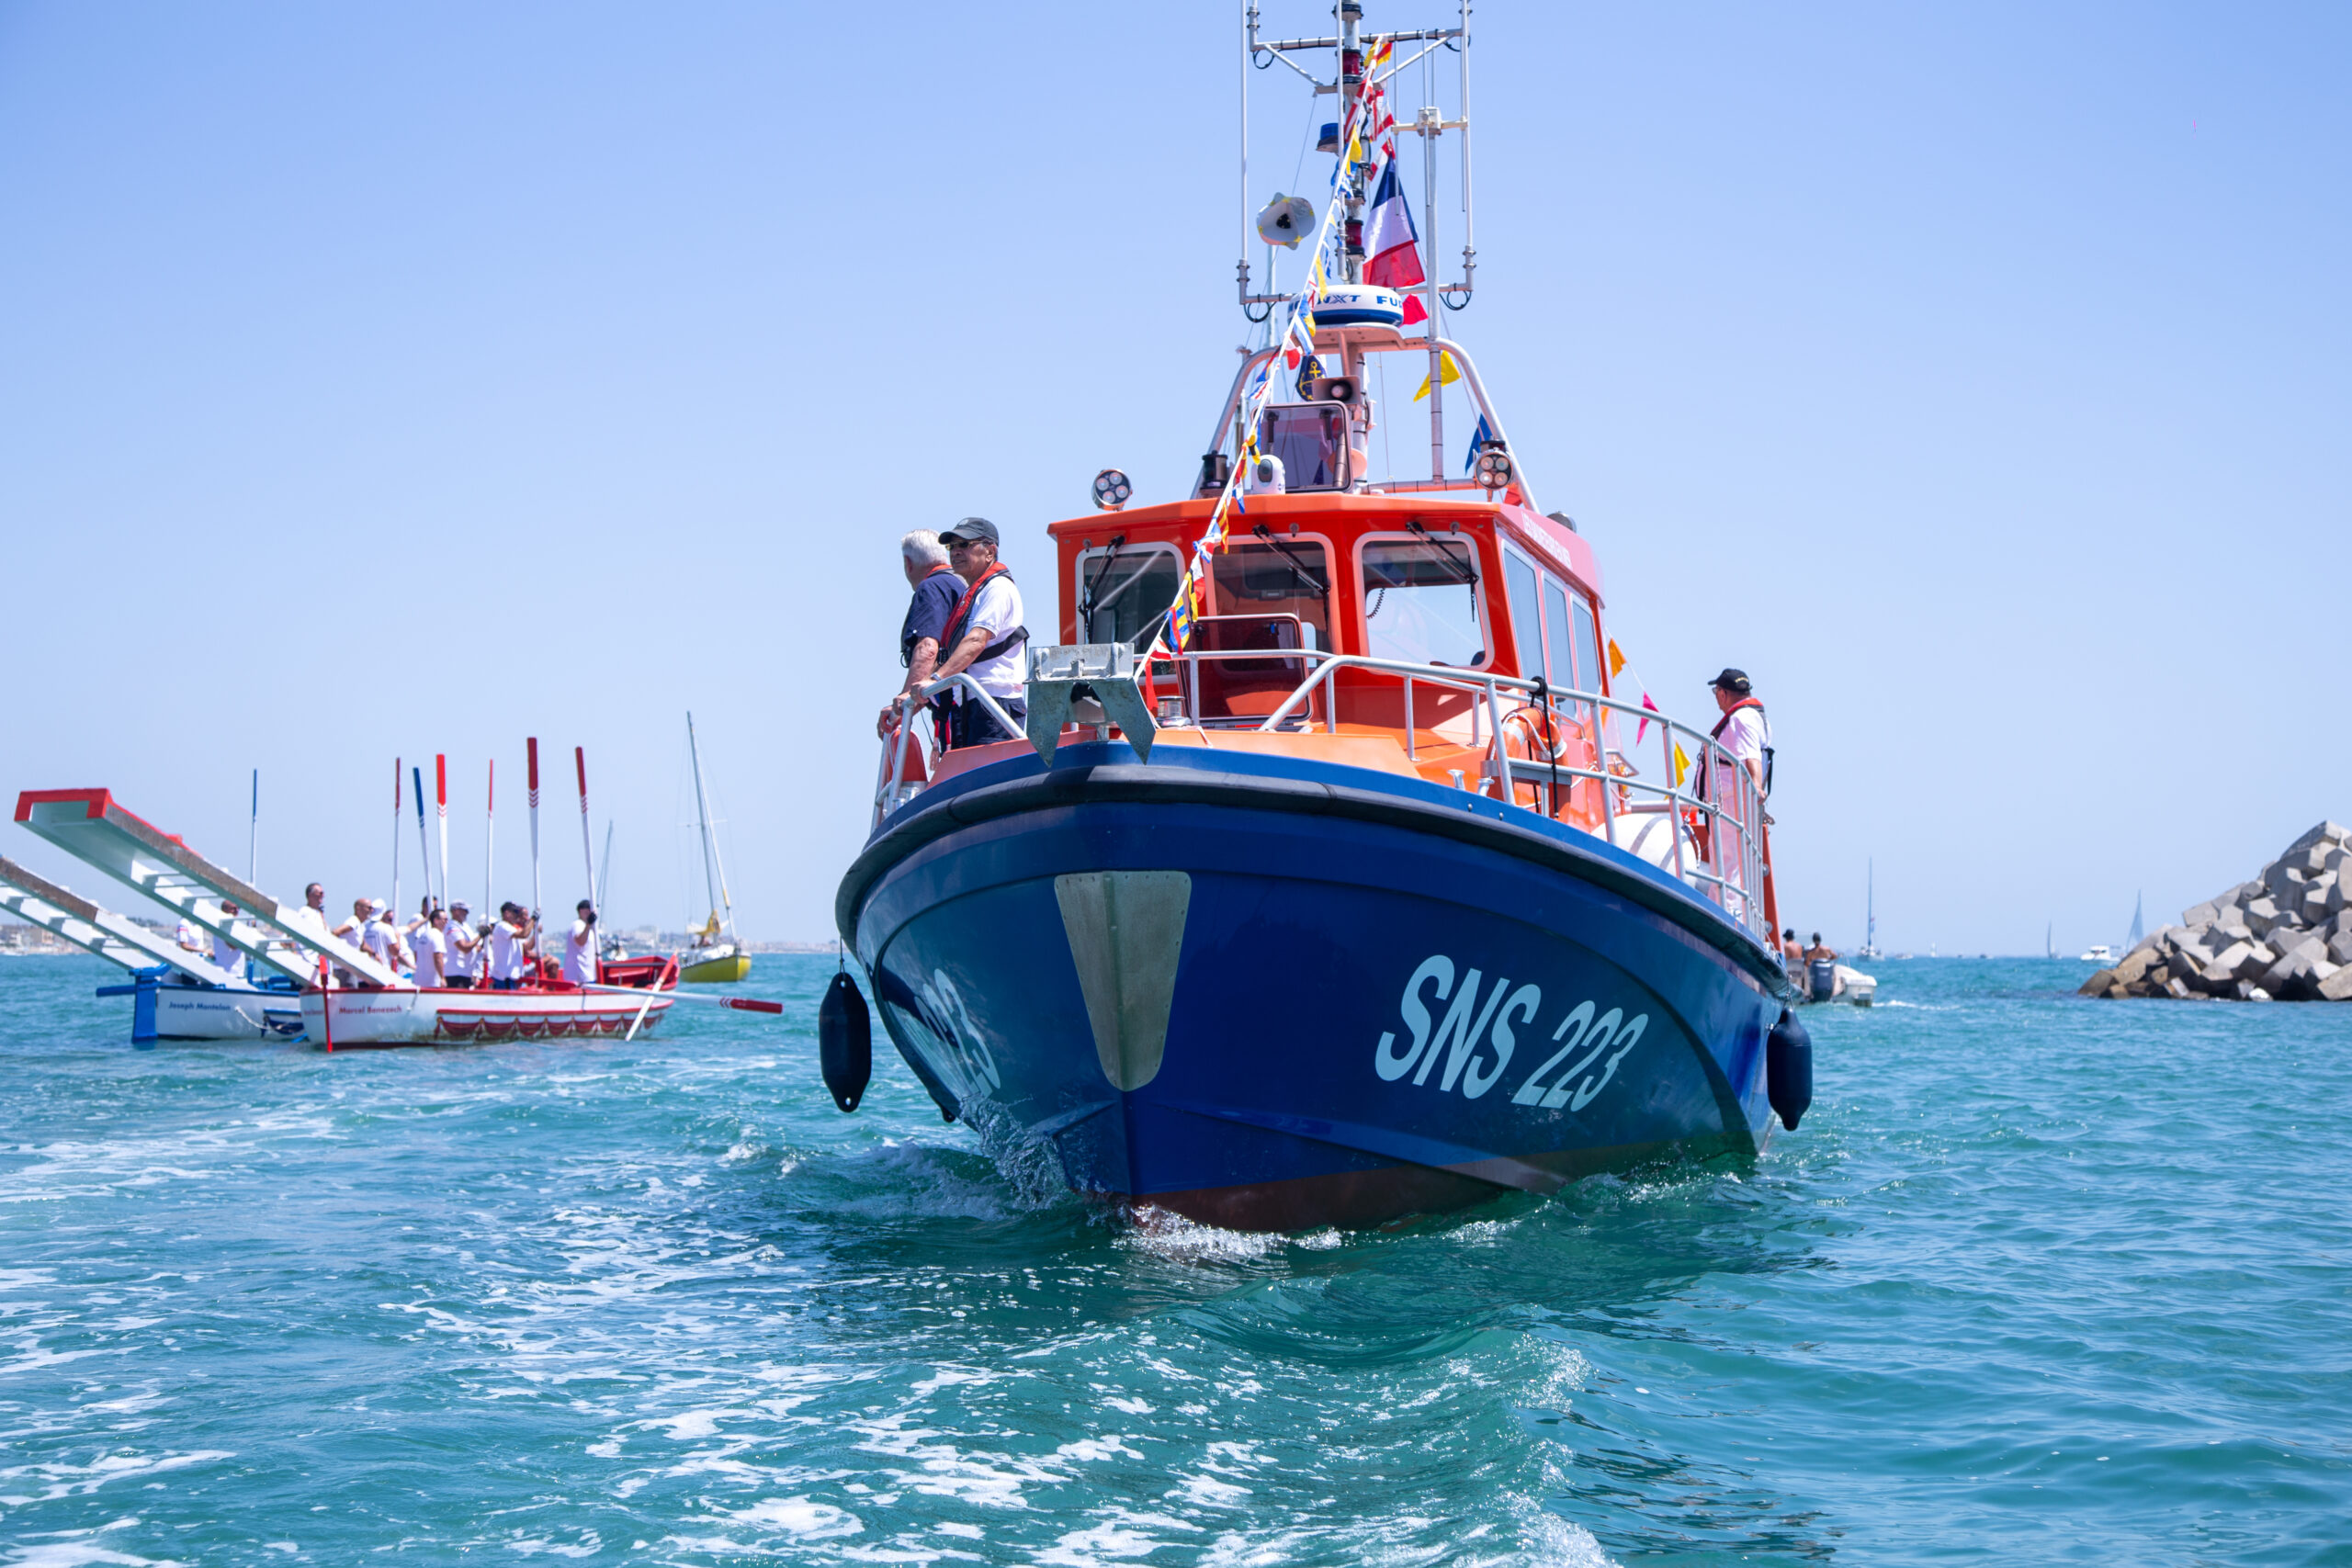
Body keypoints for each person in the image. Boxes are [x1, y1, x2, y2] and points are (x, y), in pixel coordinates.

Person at [930, 517, 1030, 749]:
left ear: (990, 552)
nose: (955, 552)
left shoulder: (998, 588)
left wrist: (935, 680)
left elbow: (976, 640)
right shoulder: (975, 593)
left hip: (993, 704)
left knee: (988, 769)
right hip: (972, 702)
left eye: (965, 544)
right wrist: (915, 695)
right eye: (952, 546)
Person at [877, 529, 964, 740]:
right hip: (972, 701)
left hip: (956, 708)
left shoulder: (931, 588)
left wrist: (904, 702)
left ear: (908, 563)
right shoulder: (962, 584)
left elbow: (928, 649)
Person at [1706, 669, 1770, 802]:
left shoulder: (1741, 719)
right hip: (1730, 806)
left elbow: (1751, 756)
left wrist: (1756, 788)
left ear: (1723, 694)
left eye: (1715, 691)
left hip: (1731, 808)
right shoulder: (1751, 716)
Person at [487, 902, 535, 990]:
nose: (517, 916)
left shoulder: (513, 929)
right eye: (515, 913)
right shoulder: (502, 926)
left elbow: (527, 947)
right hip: (504, 977)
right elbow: (523, 934)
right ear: (507, 913)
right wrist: (533, 919)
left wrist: (536, 933)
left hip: (512, 977)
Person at [443, 900, 480, 988]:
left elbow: (474, 946)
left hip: (466, 972)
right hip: (455, 973)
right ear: (456, 911)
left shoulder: (465, 926)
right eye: (464, 910)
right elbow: (464, 947)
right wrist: (480, 935)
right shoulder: (452, 926)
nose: (467, 913)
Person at [411, 906, 448, 988]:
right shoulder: (437, 935)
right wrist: (442, 978)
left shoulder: (422, 935)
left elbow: (416, 955)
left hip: (418, 982)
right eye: (445, 920)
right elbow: (438, 957)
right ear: (436, 920)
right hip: (433, 983)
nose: (447, 922)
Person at [562, 900, 598, 986]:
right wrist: (588, 924)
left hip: (589, 974)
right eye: (588, 909)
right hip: (579, 976)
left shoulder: (590, 927)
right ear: (581, 911)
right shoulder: (577, 924)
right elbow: (580, 941)